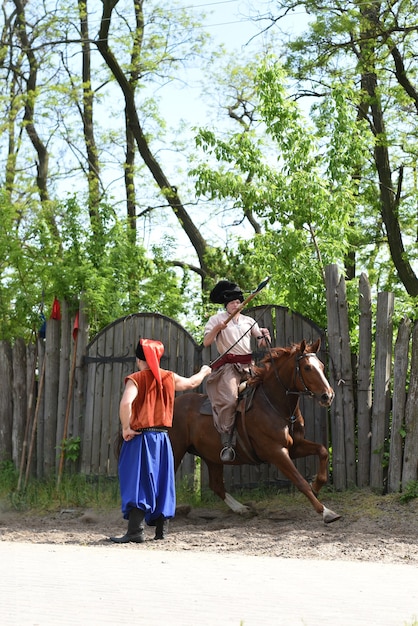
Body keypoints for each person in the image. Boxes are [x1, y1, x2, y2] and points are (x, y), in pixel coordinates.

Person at [110, 338, 211, 544]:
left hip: (141, 439)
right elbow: (192, 383)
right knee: (162, 482)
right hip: (162, 439)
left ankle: (135, 531)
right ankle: (161, 531)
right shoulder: (169, 377)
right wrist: (204, 372)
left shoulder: (136, 378)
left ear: (139, 359)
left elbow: (126, 403)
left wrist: (126, 427)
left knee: (138, 481)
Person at [203, 280, 271, 462]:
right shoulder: (216, 320)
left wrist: (264, 336)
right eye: (232, 302)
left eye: (238, 301)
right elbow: (206, 342)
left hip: (249, 366)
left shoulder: (249, 321)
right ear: (226, 304)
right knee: (230, 400)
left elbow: (261, 341)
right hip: (228, 369)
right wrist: (217, 329)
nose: (236, 304)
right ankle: (227, 442)